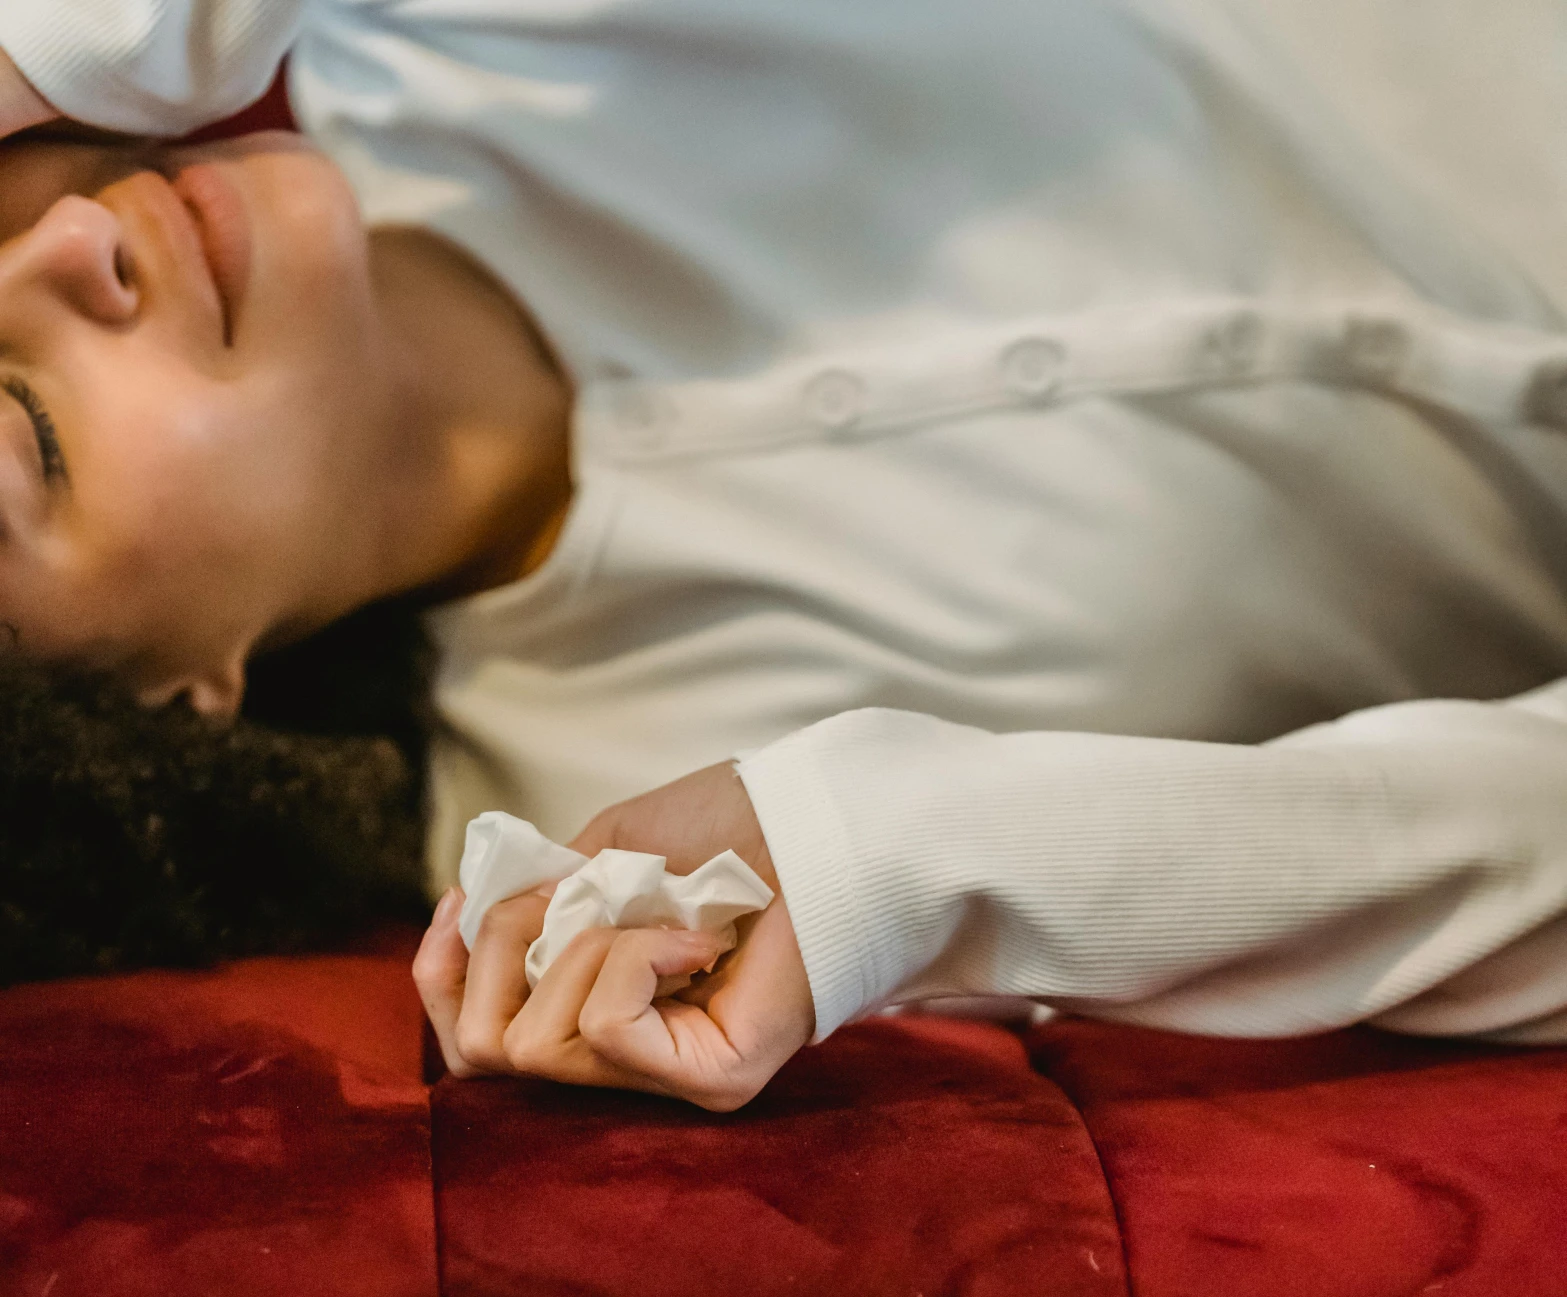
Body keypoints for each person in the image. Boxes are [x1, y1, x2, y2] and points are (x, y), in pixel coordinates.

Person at [6, 2, 1567, 1109]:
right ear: (156, 715)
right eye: (28, 432)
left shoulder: (464, 31)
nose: (71, 242)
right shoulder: (675, 859)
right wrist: (928, 851)